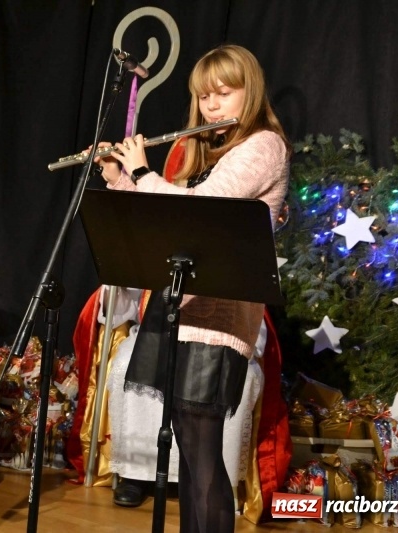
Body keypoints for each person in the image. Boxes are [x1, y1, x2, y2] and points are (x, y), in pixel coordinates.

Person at [92, 44, 290, 532]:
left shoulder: (263, 145)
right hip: (183, 309)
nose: (212, 106)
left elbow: (203, 209)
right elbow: (167, 224)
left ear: (250, 93)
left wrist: (143, 171)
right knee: (187, 445)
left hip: (218, 317)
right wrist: (120, 178)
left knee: (201, 454)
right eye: (205, 96)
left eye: (225, 93)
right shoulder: (213, 149)